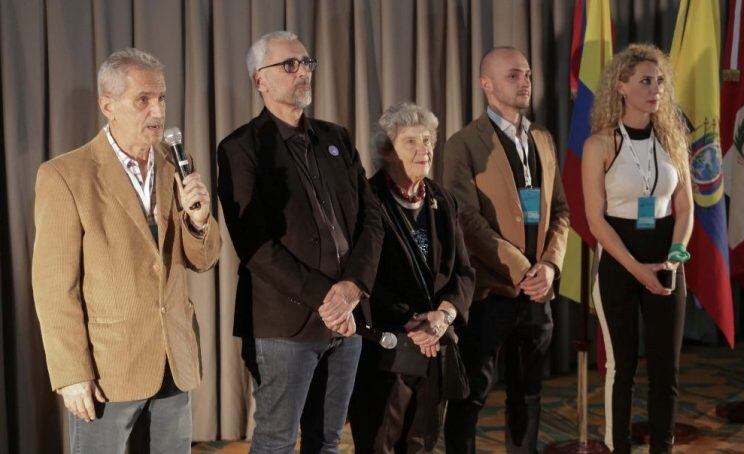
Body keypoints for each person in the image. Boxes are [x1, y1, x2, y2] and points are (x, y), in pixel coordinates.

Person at [31, 48, 221, 453]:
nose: (158, 111)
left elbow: (203, 261)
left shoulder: (177, 165)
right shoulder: (66, 175)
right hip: (107, 369)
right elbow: (53, 287)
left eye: (162, 98)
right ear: (107, 105)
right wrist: (71, 374)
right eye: (143, 100)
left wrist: (200, 220)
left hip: (175, 359)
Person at [216, 31, 384, 453]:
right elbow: (254, 245)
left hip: (347, 319)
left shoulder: (336, 138)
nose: (302, 71)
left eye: (306, 62)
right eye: (289, 65)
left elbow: (372, 220)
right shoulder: (241, 148)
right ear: (260, 80)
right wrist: (326, 297)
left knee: (327, 439)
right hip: (284, 325)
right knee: (276, 440)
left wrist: (352, 289)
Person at [441, 47, 570, 453]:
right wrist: (521, 268)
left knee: (529, 395)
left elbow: (561, 212)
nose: (525, 81)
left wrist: (548, 266)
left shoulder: (543, 138)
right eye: (513, 75)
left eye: (528, 74)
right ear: (487, 85)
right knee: (471, 395)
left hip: (537, 294)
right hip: (489, 293)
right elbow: (464, 218)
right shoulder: (462, 143)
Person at [582, 43, 693, 454]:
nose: (656, 89)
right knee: (621, 368)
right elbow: (596, 220)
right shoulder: (600, 145)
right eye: (646, 81)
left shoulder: (673, 140)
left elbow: (685, 209)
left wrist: (676, 256)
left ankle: (662, 447)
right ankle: (620, 449)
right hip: (619, 265)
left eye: (660, 81)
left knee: (667, 370)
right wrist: (637, 269)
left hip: (667, 262)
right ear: (622, 86)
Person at [348, 102, 475, 453]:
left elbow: (463, 271)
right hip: (386, 349)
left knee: (422, 443)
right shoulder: (367, 200)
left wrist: (444, 315)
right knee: (379, 444)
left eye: (428, 139)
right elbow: (364, 278)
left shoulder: (442, 199)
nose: (425, 149)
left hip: (435, 345)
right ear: (386, 152)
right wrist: (413, 322)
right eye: (411, 142)